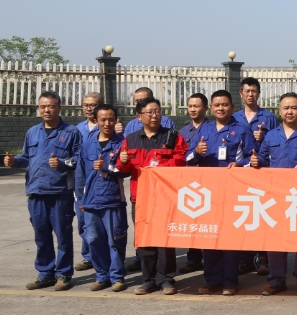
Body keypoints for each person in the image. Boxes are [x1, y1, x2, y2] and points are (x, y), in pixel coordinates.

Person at [4, 91, 83, 291]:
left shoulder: (71, 132)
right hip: (36, 191)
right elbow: (26, 157)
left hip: (60, 192)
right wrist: (13, 161)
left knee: (63, 236)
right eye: (43, 106)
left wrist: (62, 163)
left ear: (59, 108)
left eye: (51, 106)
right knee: (41, 236)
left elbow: (79, 160)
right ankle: (45, 273)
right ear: (39, 109)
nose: (47, 110)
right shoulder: (32, 132)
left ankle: (63, 274)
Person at [250, 92, 297, 296]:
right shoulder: (271, 135)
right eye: (286, 108)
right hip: (275, 195)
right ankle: (276, 280)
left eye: (294, 108)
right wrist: (256, 161)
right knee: (275, 239)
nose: (290, 111)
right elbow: (263, 158)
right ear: (280, 111)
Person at [187, 90, 255, 296]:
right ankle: (212, 280)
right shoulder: (204, 129)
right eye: (216, 105)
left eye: (225, 104)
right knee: (210, 237)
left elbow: (254, 158)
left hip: (232, 191)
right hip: (208, 193)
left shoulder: (242, 130)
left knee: (230, 239)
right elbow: (188, 157)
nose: (220, 108)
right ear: (210, 108)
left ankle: (230, 282)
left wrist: (240, 164)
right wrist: (196, 152)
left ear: (232, 107)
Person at [116, 96, 187, 295]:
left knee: (165, 240)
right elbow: (123, 170)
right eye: (150, 112)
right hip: (141, 198)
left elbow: (181, 161)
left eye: (157, 112)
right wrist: (123, 161)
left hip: (165, 197)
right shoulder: (130, 139)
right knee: (145, 240)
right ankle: (148, 280)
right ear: (139, 116)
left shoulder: (172, 137)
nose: (155, 116)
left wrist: (157, 166)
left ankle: (166, 279)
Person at [74, 103, 129, 291]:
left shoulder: (122, 144)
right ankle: (102, 276)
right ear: (96, 121)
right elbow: (80, 174)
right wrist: (80, 199)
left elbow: (126, 171)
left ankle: (117, 277)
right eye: (103, 119)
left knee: (115, 240)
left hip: (113, 200)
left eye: (111, 119)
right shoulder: (87, 145)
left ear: (116, 120)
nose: (107, 123)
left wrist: (107, 167)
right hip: (91, 202)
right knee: (94, 240)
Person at [234, 77, 278, 276]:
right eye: (247, 91)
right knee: (244, 213)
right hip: (242, 171)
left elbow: (277, 138)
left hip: (262, 170)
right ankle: (244, 259)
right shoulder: (234, 117)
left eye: (254, 91)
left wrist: (263, 137)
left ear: (258, 93)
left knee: (262, 213)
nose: (250, 94)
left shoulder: (268, 117)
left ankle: (263, 258)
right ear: (241, 94)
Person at [176, 92, 208, 275]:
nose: (193, 109)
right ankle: (194, 259)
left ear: (205, 108)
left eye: (196, 106)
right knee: (192, 221)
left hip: (209, 181)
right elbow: (180, 157)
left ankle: (213, 259)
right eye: (190, 106)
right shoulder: (182, 132)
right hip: (190, 183)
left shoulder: (212, 129)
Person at [74, 91, 103, 272]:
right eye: (86, 105)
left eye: (93, 105)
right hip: (81, 180)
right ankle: (88, 256)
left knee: (100, 222)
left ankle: (102, 256)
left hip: (101, 180)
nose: (89, 108)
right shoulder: (77, 129)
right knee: (82, 220)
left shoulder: (107, 126)